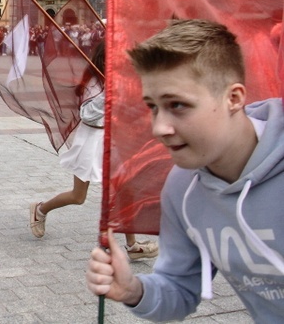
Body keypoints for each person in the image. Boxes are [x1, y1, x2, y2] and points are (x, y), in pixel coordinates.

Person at [85, 19, 284, 322]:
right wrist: (133, 290)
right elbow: (178, 289)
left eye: (177, 105)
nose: (159, 128)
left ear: (234, 98)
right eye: (152, 106)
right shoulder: (182, 188)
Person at [29, 42, 158, 259]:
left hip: (112, 139)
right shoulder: (93, 82)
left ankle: (132, 246)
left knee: (125, 190)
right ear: (104, 59)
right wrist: (109, 93)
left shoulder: (118, 79)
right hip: (91, 141)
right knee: (78, 196)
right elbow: (87, 114)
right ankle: (40, 209)